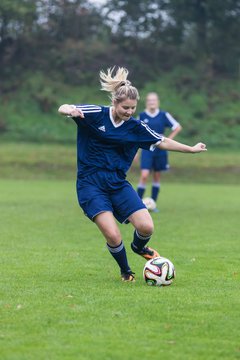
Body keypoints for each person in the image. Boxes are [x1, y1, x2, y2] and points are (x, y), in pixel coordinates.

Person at [58, 67, 207, 283]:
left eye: (132, 108)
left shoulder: (136, 127)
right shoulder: (95, 113)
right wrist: (69, 111)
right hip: (90, 184)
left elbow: (162, 141)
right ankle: (126, 271)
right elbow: (65, 106)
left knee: (147, 226)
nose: (129, 112)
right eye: (125, 107)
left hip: (117, 183)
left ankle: (139, 247)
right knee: (113, 234)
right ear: (115, 104)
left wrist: (191, 149)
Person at [137, 92, 182, 210]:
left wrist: (168, 141)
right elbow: (135, 133)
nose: (152, 102)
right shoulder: (141, 116)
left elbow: (177, 127)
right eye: (150, 100)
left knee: (157, 176)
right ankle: (136, 205)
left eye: (154, 100)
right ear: (147, 102)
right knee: (144, 175)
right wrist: (136, 152)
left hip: (161, 150)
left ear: (157, 102)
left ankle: (153, 204)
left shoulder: (163, 115)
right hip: (147, 149)